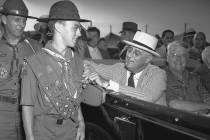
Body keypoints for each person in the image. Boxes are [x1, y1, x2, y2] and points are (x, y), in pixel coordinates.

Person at [20, 1, 106, 140]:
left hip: (71, 131)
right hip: (43, 132)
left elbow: (75, 98)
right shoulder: (34, 63)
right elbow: (27, 106)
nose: (79, 33)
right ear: (59, 27)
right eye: (75, 28)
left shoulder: (77, 61)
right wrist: (30, 137)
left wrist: (81, 122)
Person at [0, 0, 41, 139]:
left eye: (24, 20)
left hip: (30, 112)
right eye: (17, 20)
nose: (22, 24)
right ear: (4, 19)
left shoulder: (35, 48)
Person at [165, 41, 210, 115]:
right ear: (167, 58)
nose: (178, 59)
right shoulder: (163, 76)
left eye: (183, 55)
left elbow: (207, 97)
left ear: (187, 59)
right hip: (179, 122)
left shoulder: (195, 77)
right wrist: (206, 106)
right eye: (174, 55)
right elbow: (175, 105)